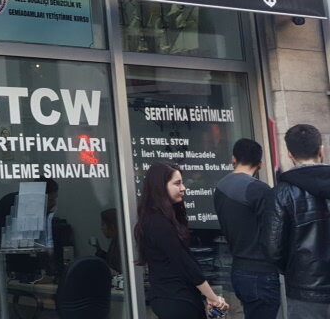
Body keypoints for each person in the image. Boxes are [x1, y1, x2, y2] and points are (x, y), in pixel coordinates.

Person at [134, 162, 228, 319]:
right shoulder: (158, 222)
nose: (183, 188)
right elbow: (185, 262)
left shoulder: (156, 219)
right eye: (177, 183)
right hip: (176, 299)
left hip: (173, 297)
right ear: (160, 187)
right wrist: (212, 297)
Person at [263, 123, 330, 318]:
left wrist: (294, 269)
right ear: (321, 150)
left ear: (289, 154)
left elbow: (273, 248)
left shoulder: (280, 194)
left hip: (305, 290)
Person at [213, 138, 280, 319]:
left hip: (237, 268)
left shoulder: (220, 188)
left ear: (233, 159)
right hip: (262, 271)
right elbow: (273, 233)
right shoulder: (260, 190)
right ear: (260, 164)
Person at [94, 208, 123, 276]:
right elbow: (109, 260)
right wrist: (98, 248)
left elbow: (117, 269)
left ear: (112, 226)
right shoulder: (115, 240)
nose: (101, 228)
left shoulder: (120, 243)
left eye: (103, 224)